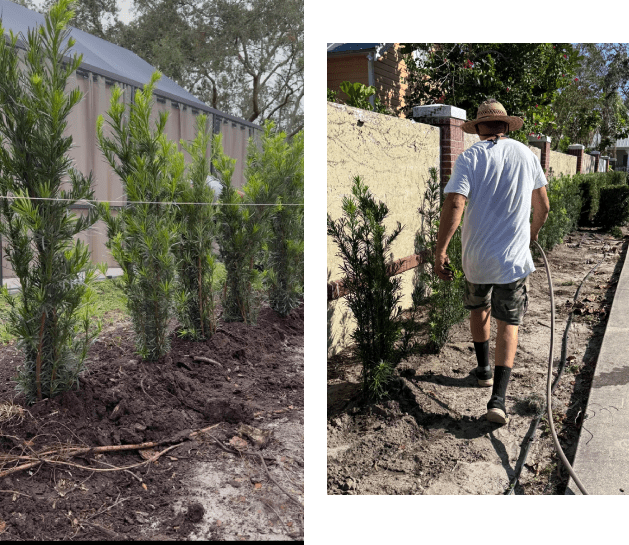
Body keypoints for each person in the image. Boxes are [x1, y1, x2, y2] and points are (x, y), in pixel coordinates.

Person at [434, 99, 550, 425]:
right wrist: (532, 234)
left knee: (478, 308)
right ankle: (497, 400)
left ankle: (483, 370)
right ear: (506, 125)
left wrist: (440, 250)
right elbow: (543, 206)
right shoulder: (528, 155)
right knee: (508, 322)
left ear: (480, 128)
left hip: (477, 258)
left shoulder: (470, 156)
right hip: (513, 260)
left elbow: (456, 203)